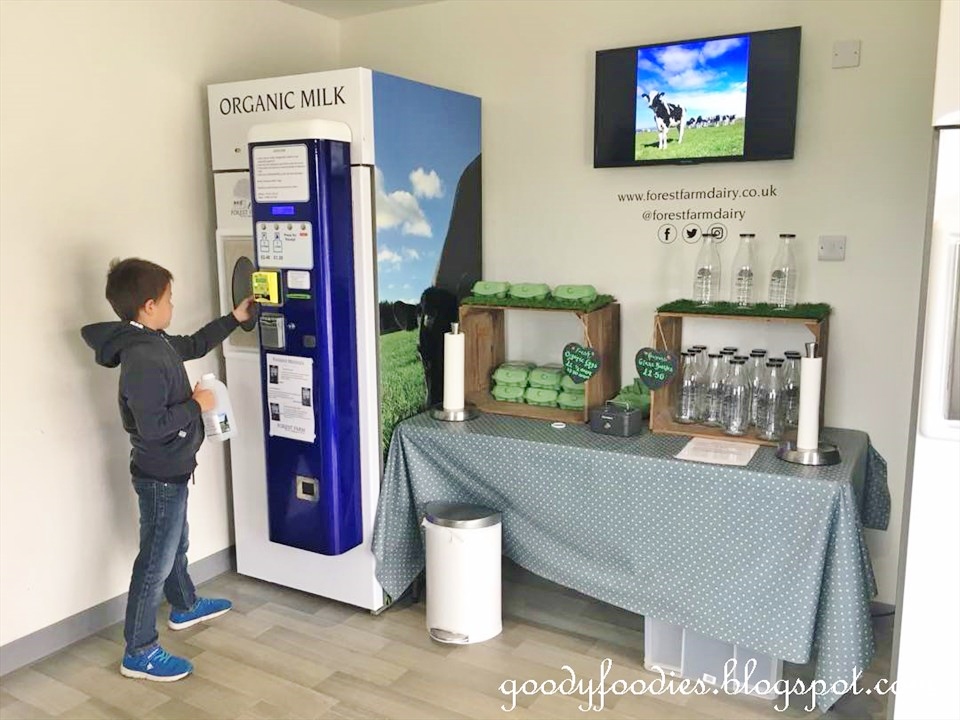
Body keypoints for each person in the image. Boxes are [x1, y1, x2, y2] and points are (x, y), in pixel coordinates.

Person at [81, 258, 255, 682]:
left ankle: (185, 605)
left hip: (172, 469)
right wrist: (196, 405)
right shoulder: (141, 356)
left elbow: (194, 344)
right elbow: (152, 425)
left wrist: (235, 318)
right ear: (148, 305)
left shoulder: (151, 339)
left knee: (175, 542)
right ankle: (139, 650)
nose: (172, 305)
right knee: (155, 560)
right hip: (159, 473)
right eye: (168, 299)